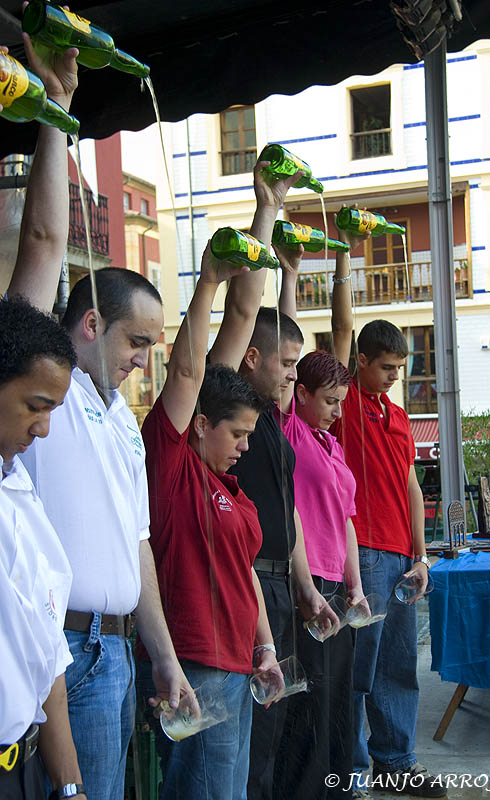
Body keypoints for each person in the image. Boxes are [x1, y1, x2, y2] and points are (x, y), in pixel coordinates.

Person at [10, 39, 193, 800]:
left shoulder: (120, 420)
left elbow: (137, 547)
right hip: (61, 650)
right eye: (136, 343)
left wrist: (165, 657)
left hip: (115, 654)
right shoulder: (40, 391)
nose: (144, 360)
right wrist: (56, 110)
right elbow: (47, 243)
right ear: (88, 325)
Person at [136, 238, 278, 800]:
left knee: (231, 793)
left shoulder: (233, 490)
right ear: (198, 425)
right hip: (196, 664)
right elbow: (190, 369)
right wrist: (209, 281)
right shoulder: (171, 468)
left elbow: (244, 574)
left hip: (237, 667)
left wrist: (264, 649)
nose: (245, 446)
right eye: (237, 434)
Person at [211, 269, 335, 795]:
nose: (293, 374)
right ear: (252, 358)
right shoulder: (226, 410)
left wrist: (305, 585)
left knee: (283, 726)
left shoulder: (273, 419)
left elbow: (291, 516)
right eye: (285, 364)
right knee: (255, 738)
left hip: (283, 587)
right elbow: (241, 315)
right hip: (250, 587)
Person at [331, 244, 446, 798]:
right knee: (360, 670)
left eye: (400, 369)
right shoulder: (347, 401)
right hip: (364, 552)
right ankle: (350, 775)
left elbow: (409, 483)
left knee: (400, 665)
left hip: (401, 554)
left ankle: (395, 763)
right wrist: (345, 266)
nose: (395, 377)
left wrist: (422, 556)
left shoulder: (399, 416)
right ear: (362, 362)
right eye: (386, 367)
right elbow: (342, 326)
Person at [268, 242, 365, 799]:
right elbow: (288, 343)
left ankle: (336, 787)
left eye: (340, 401)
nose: (335, 409)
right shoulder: (290, 431)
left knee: (336, 697)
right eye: (327, 399)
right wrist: (291, 273)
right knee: (308, 701)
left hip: (337, 583)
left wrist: (355, 584)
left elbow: (348, 519)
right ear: (298, 393)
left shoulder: (330, 445)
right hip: (305, 585)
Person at [0, 296, 86, 800]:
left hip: (27, 766)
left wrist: (69, 784)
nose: (44, 428)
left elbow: (46, 653)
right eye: (35, 406)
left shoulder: (18, 488)